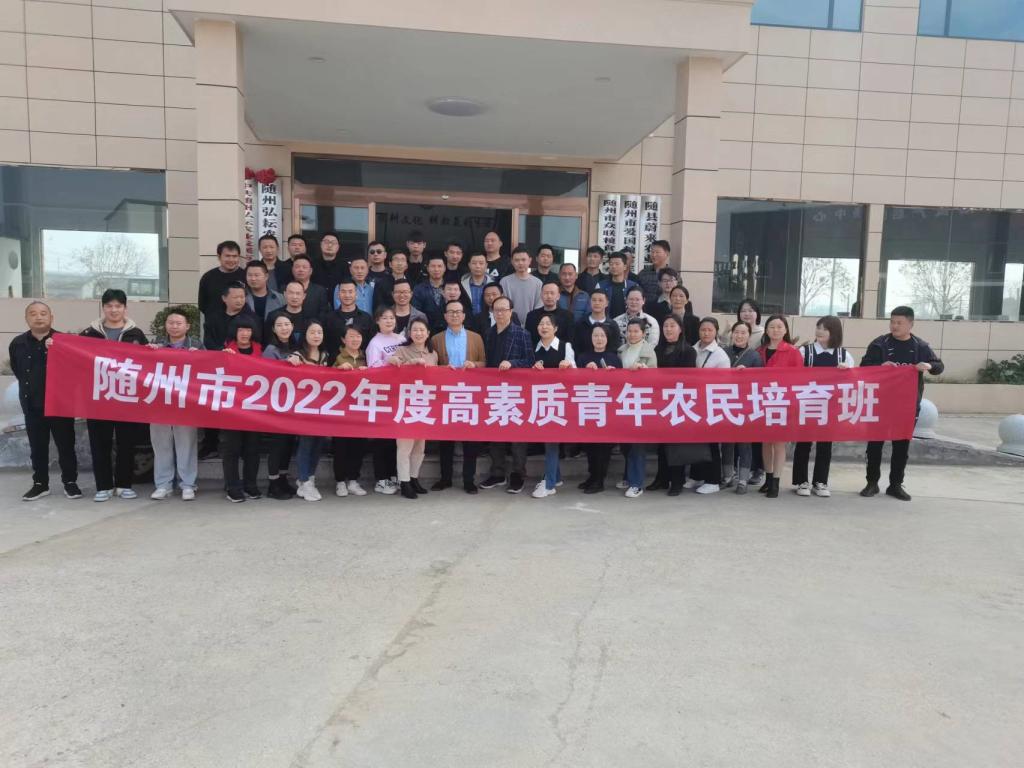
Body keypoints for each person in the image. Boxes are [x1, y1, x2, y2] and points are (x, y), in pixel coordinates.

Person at [860, 306, 944, 501]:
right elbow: (864, 366)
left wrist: (928, 365)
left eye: (899, 323)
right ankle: (872, 482)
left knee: (901, 446)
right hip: (880, 403)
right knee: (874, 445)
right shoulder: (879, 344)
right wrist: (880, 366)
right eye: (892, 322)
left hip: (906, 406)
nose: (894, 326)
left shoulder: (920, 346)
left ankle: (896, 485)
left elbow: (939, 365)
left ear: (910, 324)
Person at [81, 289, 148, 502]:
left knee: (126, 443)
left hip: (126, 397)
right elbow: (74, 358)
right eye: (109, 306)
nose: (114, 310)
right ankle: (103, 486)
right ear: (103, 308)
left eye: (118, 306)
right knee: (99, 443)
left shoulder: (136, 334)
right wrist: (54, 345)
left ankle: (124, 484)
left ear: (125, 308)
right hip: (99, 397)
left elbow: (148, 363)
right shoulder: (89, 333)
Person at [10, 301, 81, 501]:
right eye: (33, 313)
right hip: (32, 405)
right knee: (37, 448)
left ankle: (70, 482)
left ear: (51, 317)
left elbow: (74, 371)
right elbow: (18, 370)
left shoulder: (64, 341)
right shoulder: (17, 343)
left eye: (43, 313)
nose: (38, 317)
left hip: (60, 405)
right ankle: (40, 484)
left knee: (66, 446)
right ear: (26, 318)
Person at [790, 316, 855, 498]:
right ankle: (801, 481)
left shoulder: (844, 355)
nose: (820, 331)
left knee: (825, 444)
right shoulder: (805, 352)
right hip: (807, 403)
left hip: (830, 406)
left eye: (825, 329)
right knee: (803, 443)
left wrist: (846, 372)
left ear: (834, 333)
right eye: (818, 327)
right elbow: (793, 375)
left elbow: (853, 381)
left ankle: (820, 481)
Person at [431, 300, 486, 494]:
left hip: (469, 394)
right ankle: (445, 478)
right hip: (444, 395)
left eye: (458, 312)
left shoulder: (476, 338)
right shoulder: (436, 339)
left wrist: (475, 365)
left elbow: (484, 362)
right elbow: (431, 366)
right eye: (451, 312)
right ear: (445, 316)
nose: (454, 315)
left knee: (470, 440)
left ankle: (468, 480)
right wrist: (442, 369)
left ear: (464, 316)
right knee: (445, 440)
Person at [480, 296, 534, 493]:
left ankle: (518, 475)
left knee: (518, 436)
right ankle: (497, 473)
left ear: (511, 312)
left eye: (504, 309)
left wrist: (512, 363)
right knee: (495, 433)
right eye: (497, 310)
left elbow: (530, 361)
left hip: (516, 391)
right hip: (493, 390)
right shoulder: (488, 333)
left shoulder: (522, 334)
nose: (500, 313)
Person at [147, 309, 201, 501]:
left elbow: (207, 371)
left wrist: (199, 357)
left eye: (179, 323)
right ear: (165, 325)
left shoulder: (197, 345)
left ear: (187, 326)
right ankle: (163, 485)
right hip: (160, 402)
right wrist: (147, 353)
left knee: (187, 444)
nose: (174, 326)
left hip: (186, 403)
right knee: (161, 444)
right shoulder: (156, 344)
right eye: (171, 322)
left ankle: (188, 484)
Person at [387, 318, 439, 499]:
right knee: (404, 447)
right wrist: (409, 364)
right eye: (415, 330)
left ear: (428, 333)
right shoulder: (401, 350)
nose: (418, 333)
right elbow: (392, 369)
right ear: (409, 333)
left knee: (419, 446)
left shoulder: (433, 354)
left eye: (422, 330)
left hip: (424, 404)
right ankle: (404, 482)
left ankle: (414, 478)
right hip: (405, 404)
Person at [757, 314, 803, 499]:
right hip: (763, 402)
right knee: (765, 442)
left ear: (785, 330)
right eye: (772, 327)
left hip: (783, 402)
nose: (775, 330)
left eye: (779, 327)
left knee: (779, 442)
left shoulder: (792, 351)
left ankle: (776, 481)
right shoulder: (760, 351)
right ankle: (768, 478)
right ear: (766, 330)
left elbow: (799, 380)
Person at [683, 317, 731, 495]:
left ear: (716, 332)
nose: (706, 333)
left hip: (712, 403)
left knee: (711, 442)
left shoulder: (720, 355)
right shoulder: (692, 349)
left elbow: (724, 382)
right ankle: (697, 476)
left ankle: (713, 480)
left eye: (710, 330)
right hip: (694, 403)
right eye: (703, 329)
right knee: (696, 441)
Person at [651, 314, 698, 495]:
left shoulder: (688, 351)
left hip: (678, 401)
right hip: (660, 402)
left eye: (672, 326)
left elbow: (688, 378)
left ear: (680, 329)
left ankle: (677, 481)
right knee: (662, 444)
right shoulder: (657, 349)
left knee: (676, 444)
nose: (668, 329)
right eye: (665, 326)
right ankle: (662, 478)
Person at [531, 315, 575, 499]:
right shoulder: (534, 348)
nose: (544, 327)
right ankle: (555, 477)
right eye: (541, 324)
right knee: (549, 440)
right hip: (541, 400)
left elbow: (576, 372)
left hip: (559, 401)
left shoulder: (565, 347)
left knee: (551, 440)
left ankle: (549, 484)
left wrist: (568, 365)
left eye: (548, 324)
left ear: (555, 328)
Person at [575, 325, 621, 494]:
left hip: (606, 409)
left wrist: (611, 374)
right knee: (590, 445)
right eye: (596, 335)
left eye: (602, 335)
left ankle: (599, 480)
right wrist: (585, 371)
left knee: (603, 447)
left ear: (607, 338)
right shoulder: (583, 357)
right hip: (588, 406)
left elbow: (620, 386)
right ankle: (592, 475)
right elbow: (575, 381)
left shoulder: (614, 358)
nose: (599, 339)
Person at [330, 326, 373, 498]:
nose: (355, 339)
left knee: (358, 447)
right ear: (343, 339)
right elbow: (324, 378)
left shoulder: (366, 357)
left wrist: (369, 373)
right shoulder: (336, 356)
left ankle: (353, 480)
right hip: (340, 410)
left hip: (360, 410)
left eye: (358, 336)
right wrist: (338, 370)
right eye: (351, 336)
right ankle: (340, 481)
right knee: (340, 447)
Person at [262, 314, 300, 500]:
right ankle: (273, 483)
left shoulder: (296, 348)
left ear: (292, 326)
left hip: (293, 404)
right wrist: (286, 364)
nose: (284, 328)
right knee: (277, 445)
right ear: (273, 329)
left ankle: (283, 479)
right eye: (279, 325)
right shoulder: (271, 349)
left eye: (287, 324)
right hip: (276, 405)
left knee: (287, 444)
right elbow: (267, 374)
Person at [618, 318, 657, 498]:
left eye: (636, 331)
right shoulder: (622, 350)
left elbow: (654, 379)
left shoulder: (649, 352)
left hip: (641, 403)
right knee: (626, 444)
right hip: (623, 401)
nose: (632, 334)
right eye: (630, 331)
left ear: (643, 333)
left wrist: (643, 370)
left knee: (638, 446)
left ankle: (637, 483)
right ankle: (628, 477)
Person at [722, 320, 763, 494]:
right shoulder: (724, 352)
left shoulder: (754, 356)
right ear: (732, 334)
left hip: (746, 404)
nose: (739, 336)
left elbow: (760, 382)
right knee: (727, 442)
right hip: (725, 402)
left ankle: (743, 480)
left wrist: (747, 374)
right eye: (736, 332)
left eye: (743, 332)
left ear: (749, 335)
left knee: (744, 443)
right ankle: (727, 476)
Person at [364, 309, 402, 495]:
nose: (389, 321)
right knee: (381, 439)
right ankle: (381, 479)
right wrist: (388, 361)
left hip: (399, 396)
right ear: (377, 321)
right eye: (384, 318)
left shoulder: (401, 339)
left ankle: (393, 475)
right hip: (381, 396)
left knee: (395, 440)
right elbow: (372, 369)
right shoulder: (375, 343)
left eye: (391, 318)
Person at [291, 322, 330, 501]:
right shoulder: (297, 355)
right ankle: (303, 480)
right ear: (305, 335)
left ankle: (310, 478)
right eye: (312, 332)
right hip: (303, 407)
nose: (316, 335)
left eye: (319, 332)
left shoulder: (325, 355)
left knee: (318, 444)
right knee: (305, 444)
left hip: (322, 407)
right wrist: (292, 362)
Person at [323, 280, 373, 361]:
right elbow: (325, 345)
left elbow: (371, 345)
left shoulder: (366, 318)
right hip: (335, 365)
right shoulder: (329, 318)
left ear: (356, 294)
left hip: (361, 364)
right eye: (343, 292)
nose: (347, 295)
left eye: (350, 292)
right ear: (338, 294)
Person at [204, 281, 261, 351]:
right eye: (235, 297)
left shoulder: (252, 318)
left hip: (242, 355)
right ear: (224, 298)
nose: (239, 300)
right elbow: (208, 341)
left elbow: (256, 340)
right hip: (217, 354)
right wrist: (222, 350)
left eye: (242, 297)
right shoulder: (213, 317)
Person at [197, 240, 245, 319]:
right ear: (219, 257)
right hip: (214, 323)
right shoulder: (208, 277)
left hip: (241, 323)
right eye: (227, 256)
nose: (231, 260)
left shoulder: (245, 276)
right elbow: (202, 305)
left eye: (234, 256)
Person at [499, 247, 544, 325]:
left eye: (523, 260)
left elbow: (539, 308)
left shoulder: (538, 283)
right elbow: (503, 305)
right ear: (512, 262)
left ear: (530, 260)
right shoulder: (504, 282)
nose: (520, 263)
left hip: (532, 325)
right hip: (509, 325)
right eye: (517, 260)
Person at [525, 281, 574, 346]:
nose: (549, 296)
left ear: (558, 296)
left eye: (552, 293)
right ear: (541, 296)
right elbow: (528, 340)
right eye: (546, 293)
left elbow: (569, 341)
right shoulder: (531, 316)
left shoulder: (567, 316)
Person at [264, 280, 311, 347]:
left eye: (298, 293)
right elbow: (267, 341)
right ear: (285, 294)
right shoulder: (273, 316)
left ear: (304, 296)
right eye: (291, 293)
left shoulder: (311, 317)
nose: (294, 297)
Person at [573, 290, 620, 355]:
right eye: (594, 300)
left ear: (607, 303)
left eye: (600, 300)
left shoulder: (612, 325)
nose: (597, 303)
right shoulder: (580, 323)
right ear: (590, 302)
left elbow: (614, 348)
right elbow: (576, 347)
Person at [595, 252, 638, 318]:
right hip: (606, 322)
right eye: (611, 264)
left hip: (627, 322)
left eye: (617, 264)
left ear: (625, 267)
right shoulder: (601, 285)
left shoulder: (633, 286)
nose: (613, 266)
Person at [412, 255, 447, 330]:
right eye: (433, 266)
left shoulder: (451, 287)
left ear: (444, 268)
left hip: (447, 329)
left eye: (439, 266)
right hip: (426, 329)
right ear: (427, 268)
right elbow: (416, 311)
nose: (436, 269)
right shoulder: (419, 289)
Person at [291, 254, 329, 321]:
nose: (301, 269)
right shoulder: (284, 289)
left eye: (304, 267)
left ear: (310, 271)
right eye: (297, 267)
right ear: (292, 270)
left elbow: (323, 314)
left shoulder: (320, 291)